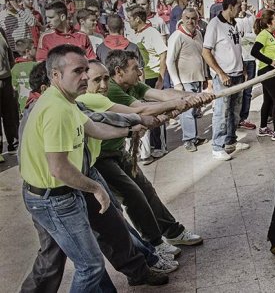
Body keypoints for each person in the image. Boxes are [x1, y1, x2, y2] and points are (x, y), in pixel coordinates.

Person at [20, 61, 171, 292]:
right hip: (57, 193)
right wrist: (96, 188)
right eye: (78, 72)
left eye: (85, 71)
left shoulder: (66, 102)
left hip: (77, 180)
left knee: (113, 229)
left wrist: (131, 130)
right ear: (53, 79)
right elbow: (59, 168)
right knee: (77, 262)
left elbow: (93, 125)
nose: (86, 78)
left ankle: (138, 271)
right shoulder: (53, 110)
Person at [93, 49, 209, 253]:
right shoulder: (109, 90)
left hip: (118, 151)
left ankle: (172, 232)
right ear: (119, 71)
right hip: (101, 157)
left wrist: (197, 96)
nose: (140, 73)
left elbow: (163, 94)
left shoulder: (131, 84)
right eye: (135, 68)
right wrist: (181, 103)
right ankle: (153, 243)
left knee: (146, 191)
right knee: (132, 196)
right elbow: (142, 110)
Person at [202, 0, 250, 161]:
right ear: (230, 6)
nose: (241, 8)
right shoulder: (214, 25)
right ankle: (217, 146)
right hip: (224, 77)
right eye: (239, 5)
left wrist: (243, 67)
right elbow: (206, 52)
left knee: (234, 112)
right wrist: (221, 73)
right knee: (221, 112)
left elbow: (235, 48)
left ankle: (230, 141)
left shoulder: (234, 23)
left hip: (237, 74)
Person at [124, 5, 168, 160]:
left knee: (157, 112)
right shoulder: (132, 34)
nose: (127, 21)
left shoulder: (152, 33)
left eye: (129, 18)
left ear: (137, 18)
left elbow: (163, 55)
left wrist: (161, 79)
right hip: (138, 79)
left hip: (153, 77)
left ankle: (160, 146)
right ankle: (147, 147)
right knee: (144, 112)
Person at [166, 8, 208, 152]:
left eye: (193, 19)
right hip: (184, 81)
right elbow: (170, 61)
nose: (190, 21)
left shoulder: (198, 34)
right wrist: (177, 83)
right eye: (187, 18)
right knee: (187, 112)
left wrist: (205, 77)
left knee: (195, 110)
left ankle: (194, 137)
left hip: (197, 78)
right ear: (182, 19)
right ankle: (189, 139)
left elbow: (202, 57)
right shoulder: (177, 36)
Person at [250, 10, 275, 141]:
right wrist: (270, 61)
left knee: (268, 100)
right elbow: (254, 51)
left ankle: (263, 128)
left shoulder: (270, 34)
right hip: (266, 71)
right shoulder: (263, 35)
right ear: (268, 23)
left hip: (271, 71)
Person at [235, 0, 258, 131]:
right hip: (239, 59)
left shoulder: (251, 17)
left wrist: (245, 37)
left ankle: (243, 118)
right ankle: (235, 118)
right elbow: (236, 40)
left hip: (250, 58)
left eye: (245, 1)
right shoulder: (233, 20)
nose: (243, 4)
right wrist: (244, 38)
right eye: (240, 1)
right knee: (238, 91)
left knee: (248, 91)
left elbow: (257, 36)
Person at [0, 27, 18, 158]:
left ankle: (13, 144)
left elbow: (9, 53)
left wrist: (12, 67)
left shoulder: (1, 30)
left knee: (10, 113)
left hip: (6, 79)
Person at [11, 38, 37, 113]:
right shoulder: (36, 65)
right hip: (36, 103)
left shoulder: (14, 68)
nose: (36, 50)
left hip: (23, 105)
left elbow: (14, 87)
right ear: (28, 51)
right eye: (34, 48)